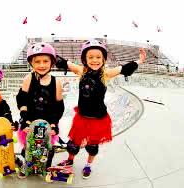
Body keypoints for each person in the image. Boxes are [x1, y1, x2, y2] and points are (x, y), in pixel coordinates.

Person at [55, 39, 147, 179]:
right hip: (82, 118)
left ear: (103, 59)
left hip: (98, 120)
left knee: (92, 146)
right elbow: (64, 63)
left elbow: (125, 68)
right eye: (90, 57)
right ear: (85, 60)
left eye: (98, 57)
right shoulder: (81, 71)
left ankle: (88, 165)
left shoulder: (106, 74)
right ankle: (70, 160)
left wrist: (139, 61)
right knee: (73, 144)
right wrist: (48, 55)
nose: (95, 60)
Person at [16, 42, 65, 179]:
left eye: (45, 61)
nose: (42, 65)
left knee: (48, 149)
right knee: (28, 148)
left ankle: (46, 166)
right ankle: (27, 165)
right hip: (29, 122)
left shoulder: (56, 83)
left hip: (48, 123)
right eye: (37, 61)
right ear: (32, 63)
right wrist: (24, 120)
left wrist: (54, 123)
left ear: (52, 63)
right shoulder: (28, 78)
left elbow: (59, 106)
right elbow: (22, 100)